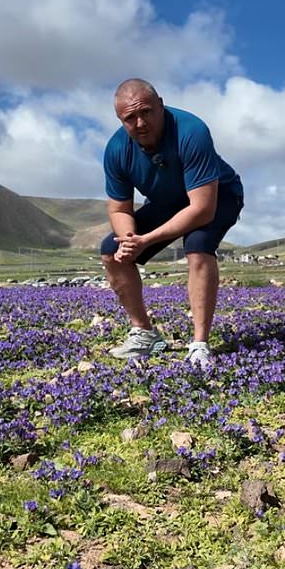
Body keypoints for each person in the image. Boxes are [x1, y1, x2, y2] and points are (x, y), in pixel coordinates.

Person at [100, 78, 244, 368]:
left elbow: (202, 210)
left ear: (161, 106)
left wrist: (147, 240)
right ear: (120, 120)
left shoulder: (192, 131)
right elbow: (119, 208)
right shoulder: (116, 150)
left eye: (147, 112)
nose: (140, 122)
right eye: (130, 118)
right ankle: (144, 332)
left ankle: (200, 344)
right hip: (169, 202)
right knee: (112, 251)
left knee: (198, 244)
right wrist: (130, 240)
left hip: (218, 195)